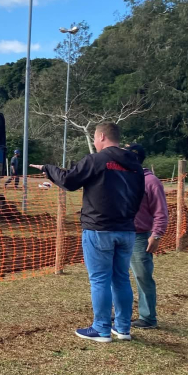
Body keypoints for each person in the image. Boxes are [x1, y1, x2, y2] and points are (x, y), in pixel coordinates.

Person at [31, 122, 145, 343]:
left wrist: (48, 169)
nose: (94, 142)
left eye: (94, 138)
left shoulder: (98, 159)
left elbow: (69, 181)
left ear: (101, 136)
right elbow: (139, 196)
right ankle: (123, 328)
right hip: (126, 230)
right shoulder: (136, 165)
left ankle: (101, 329)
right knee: (121, 278)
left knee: (100, 279)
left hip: (99, 229)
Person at [125, 143, 169, 330]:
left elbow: (161, 212)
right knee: (118, 277)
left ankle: (148, 317)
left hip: (140, 236)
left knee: (143, 277)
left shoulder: (151, 182)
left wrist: (156, 235)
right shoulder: (122, 177)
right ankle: (121, 313)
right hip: (119, 234)